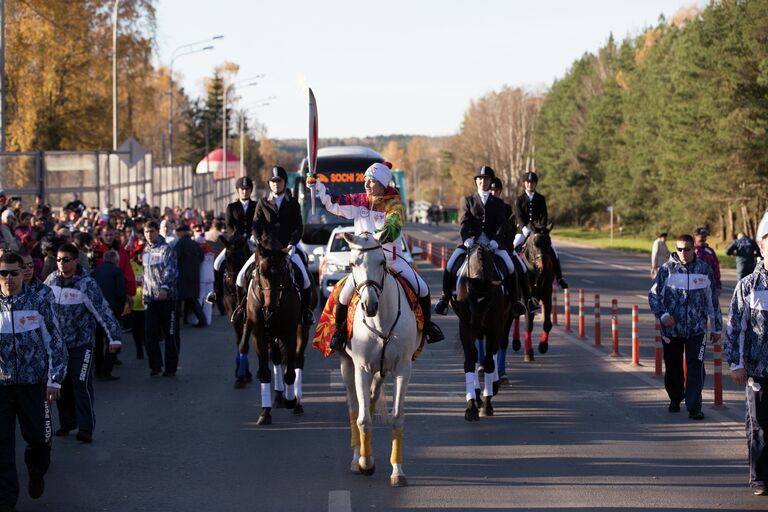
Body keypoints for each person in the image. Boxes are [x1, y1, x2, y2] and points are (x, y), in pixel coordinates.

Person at [314, 161, 444, 351]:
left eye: (371, 181)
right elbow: (334, 202)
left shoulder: (394, 205)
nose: (366, 185)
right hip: (365, 264)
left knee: (422, 288)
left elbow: (393, 226)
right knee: (342, 295)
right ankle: (340, 333)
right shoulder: (358, 201)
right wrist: (317, 186)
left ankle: (428, 328)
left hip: (392, 260)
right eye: (365, 180)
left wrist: (378, 237)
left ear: (382, 184)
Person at [0, 252, 67, 511]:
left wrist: (54, 380)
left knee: (38, 439)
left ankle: (36, 472)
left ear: (22, 274)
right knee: (2, 446)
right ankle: (7, 500)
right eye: (3, 273)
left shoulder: (37, 300)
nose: (8, 278)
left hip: (31, 384)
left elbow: (55, 341)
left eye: (13, 273)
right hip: (2, 387)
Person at [44, 243, 122, 443]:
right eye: (59, 260)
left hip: (82, 343)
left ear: (76, 260)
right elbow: (40, 306)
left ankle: (86, 427)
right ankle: (67, 422)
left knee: (80, 383)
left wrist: (114, 337)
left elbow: (102, 311)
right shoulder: (51, 280)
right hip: (59, 345)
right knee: (62, 384)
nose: (62, 264)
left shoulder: (86, 284)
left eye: (66, 260)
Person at [648, 234, 722, 420]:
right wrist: (663, 316)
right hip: (672, 331)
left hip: (696, 330)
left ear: (693, 249)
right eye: (679, 249)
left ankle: (694, 406)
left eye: (687, 249)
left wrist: (716, 327)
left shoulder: (703, 270)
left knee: (695, 366)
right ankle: (675, 398)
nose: (683, 253)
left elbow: (711, 300)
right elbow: (653, 296)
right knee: (673, 367)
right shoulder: (667, 270)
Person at [235, 166, 314, 325]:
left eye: (279, 181)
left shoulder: (292, 203)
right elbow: (256, 225)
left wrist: (292, 244)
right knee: (241, 276)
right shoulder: (263, 203)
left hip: (286, 249)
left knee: (305, 279)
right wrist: (258, 241)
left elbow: (298, 227)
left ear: (284, 182)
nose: (276, 184)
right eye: (273, 181)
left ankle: (306, 311)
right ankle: (241, 309)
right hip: (265, 250)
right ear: (269, 184)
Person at [435, 166, 517, 315]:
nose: (483, 181)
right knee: (450, 264)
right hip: (471, 243)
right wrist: (466, 238)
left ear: (490, 181)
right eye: (480, 179)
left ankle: (515, 301)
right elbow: (464, 222)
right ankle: (444, 298)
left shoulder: (498, 203)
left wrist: (496, 241)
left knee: (511, 266)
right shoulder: (468, 200)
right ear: (476, 181)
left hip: (493, 245)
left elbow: (501, 224)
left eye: (486, 179)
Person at [725, 215, 768, 496]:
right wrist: (737, 364)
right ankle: (760, 478)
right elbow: (736, 327)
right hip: (757, 369)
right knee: (760, 426)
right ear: (761, 249)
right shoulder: (749, 285)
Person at [512, 171, 567, 289]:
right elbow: (518, 214)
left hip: (538, 230)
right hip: (523, 230)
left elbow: (544, 215)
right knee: (512, 247)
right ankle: (511, 277)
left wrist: (541, 228)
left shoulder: (541, 198)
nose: (530, 185)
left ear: (535, 184)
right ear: (524, 184)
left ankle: (560, 278)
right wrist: (524, 227)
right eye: (527, 183)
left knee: (553, 251)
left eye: (532, 183)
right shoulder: (519, 199)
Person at [488, 177, 535, 314]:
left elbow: (510, 230)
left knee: (521, 268)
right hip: (483, 246)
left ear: (500, 191)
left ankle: (526, 301)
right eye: (491, 190)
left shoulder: (506, 208)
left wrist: (503, 245)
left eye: (496, 190)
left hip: (502, 247)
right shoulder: (481, 205)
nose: (493, 192)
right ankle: (450, 295)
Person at [207, 176, 256, 304]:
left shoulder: (257, 205)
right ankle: (217, 292)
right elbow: (229, 225)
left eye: (247, 189)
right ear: (237, 190)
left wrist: (253, 236)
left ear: (251, 190)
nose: (244, 191)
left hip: (252, 240)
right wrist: (237, 236)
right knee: (217, 263)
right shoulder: (232, 206)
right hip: (236, 242)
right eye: (242, 189)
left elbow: (258, 223)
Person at [141, 220, 179, 377]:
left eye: (152, 231)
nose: (149, 234)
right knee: (150, 335)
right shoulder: (144, 251)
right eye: (147, 232)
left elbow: (171, 271)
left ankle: (170, 368)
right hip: (150, 300)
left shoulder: (166, 250)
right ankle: (155, 366)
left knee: (170, 334)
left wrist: (164, 288)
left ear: (158, 232)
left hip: (166, 299)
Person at [90, 250, 127, 380]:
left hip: (95, 311)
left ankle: (98, 369)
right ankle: (106, 370)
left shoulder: (95, 272)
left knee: (98, 341)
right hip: (111, 310)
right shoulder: (117, 271)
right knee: (113, 339)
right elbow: (121, 293)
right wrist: (120, 310)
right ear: (116, 260)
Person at [174, 224, 206, 327]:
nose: (177, 234)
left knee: (179, 300)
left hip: (182, 276)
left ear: (182, 232)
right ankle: (201, 320)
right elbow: (202, 257)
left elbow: (175, 257)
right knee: (192, 299)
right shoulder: (194, 243)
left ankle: (176, 323)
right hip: (194, 275)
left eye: (178, 232)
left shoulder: (180, 243)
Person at [693, 227, 721, 295]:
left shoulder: (710, 251)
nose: (704, 239)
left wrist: (718, 285)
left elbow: (716, 268)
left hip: (708, 285)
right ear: (694, 237)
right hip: (693, 285)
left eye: (705, 236)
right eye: (702, 236)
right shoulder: (689, 250)